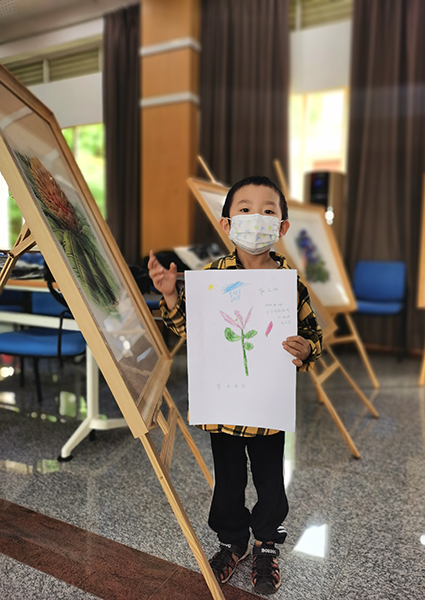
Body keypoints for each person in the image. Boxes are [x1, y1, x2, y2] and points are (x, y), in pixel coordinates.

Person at [148, 175, 322, 595]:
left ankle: (266, 545)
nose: (255, 218)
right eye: (245, 209)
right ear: (227, 224)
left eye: (268, 210)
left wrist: (306, 349)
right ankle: (232, 542)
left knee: (269, 480)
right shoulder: (211, 277)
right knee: (227, 480)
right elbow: (191, 331)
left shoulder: (290, 283)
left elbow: (312, 337)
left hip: (267, 408)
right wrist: (170, 296)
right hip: (223, 406)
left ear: (281, 226)